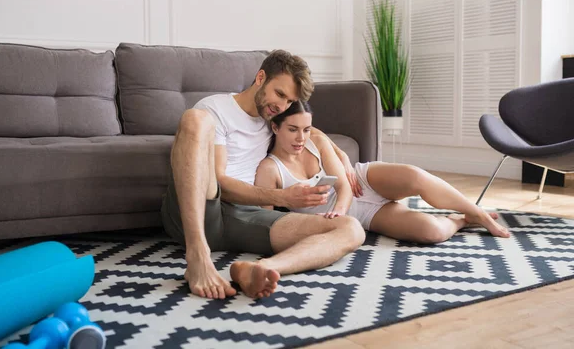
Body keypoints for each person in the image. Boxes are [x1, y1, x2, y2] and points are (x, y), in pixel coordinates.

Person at [161, 50, 366, 300]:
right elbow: (220, 182)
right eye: (279, 94)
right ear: (260, 78)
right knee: (194, 119)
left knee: (351, 228)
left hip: (243, 216)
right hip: (206, 205)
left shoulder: (273, 117)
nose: (281, 106)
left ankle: (262, 269)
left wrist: (340, 154)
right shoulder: (215, 108)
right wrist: (283, 198)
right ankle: (198, 256)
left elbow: (309, 129)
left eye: (289, 101)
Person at [254, 101, 511, 244]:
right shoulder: (269, 169)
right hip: (364, 215)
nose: (301, 138)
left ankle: (480, 214)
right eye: (292, 130)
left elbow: (344, 186)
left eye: (306, 129)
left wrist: (339, 211)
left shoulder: (317, 142)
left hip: (364, 181)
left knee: (416, 177)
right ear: (275, 128)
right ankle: (462, 219)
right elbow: (265, 223)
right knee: (431, 232)